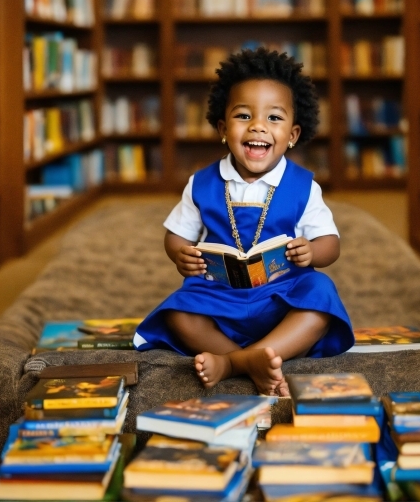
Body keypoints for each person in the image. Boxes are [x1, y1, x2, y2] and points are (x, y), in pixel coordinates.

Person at [133, 48, 354, 395]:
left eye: (274, 118)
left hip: (281, 297)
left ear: (293, 135)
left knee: (321, 295)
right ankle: (256, 360)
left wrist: (312, 252)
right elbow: (175, 236)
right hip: (220, 296)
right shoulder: (202, 184)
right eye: (243, 115)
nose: (258, 126)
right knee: (177, 312)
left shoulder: (303, 186)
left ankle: (234, 362)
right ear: (223, 128)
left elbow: (331, 243)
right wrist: (181, 255)